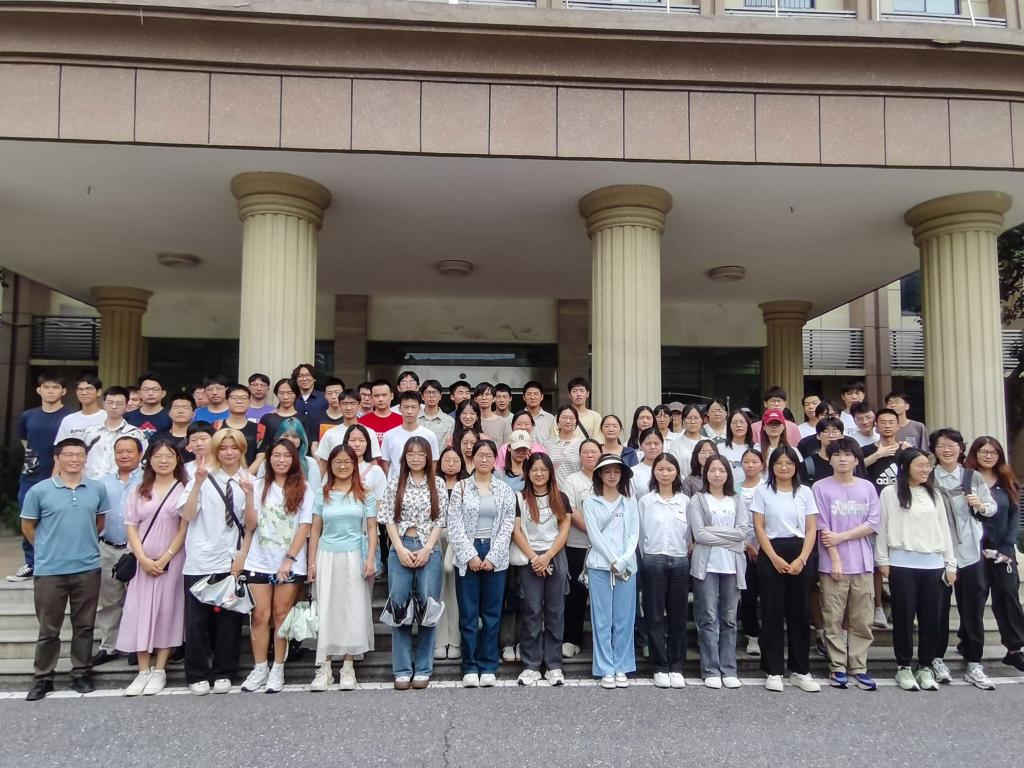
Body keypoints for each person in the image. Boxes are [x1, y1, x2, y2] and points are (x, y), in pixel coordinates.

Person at [21, 438, 109, 701]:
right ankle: (43, 678)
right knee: (49, 628)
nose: (74, 459)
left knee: (84, 626)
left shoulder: (96, 489)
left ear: (85, 458)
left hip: (87, 567)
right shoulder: (39, 490)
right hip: (50, 570)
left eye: (79, 454)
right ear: (57, 458)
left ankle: (81, 673)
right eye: (68, 454)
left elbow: (99, 522)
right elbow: (28, 527)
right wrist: (45, 549)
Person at [178, 428, 254, 696]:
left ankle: (225, 671)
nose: (229, 453)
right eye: (223, 448)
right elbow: (187, 515)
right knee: (197, 621)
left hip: (231, 558)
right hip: (201, 557)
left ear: (242, 450)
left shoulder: (249, 480)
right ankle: (197, 673)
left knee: (229, 621)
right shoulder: (202, 477)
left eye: (234, 447)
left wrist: (242, 556)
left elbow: (251, 525)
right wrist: (198, 484)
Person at [875, 449, 957, 692]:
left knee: (931, 619)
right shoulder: (890, 493)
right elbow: (882, 527)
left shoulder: (935, 495)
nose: (925, 470)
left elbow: (944, 529)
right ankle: (903, 666)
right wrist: (882, 560)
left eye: (927, 466)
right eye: (920, 465)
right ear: (906, 467)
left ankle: (925, 666)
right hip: (901, 563)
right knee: (903, 618)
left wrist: (950, 563)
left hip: (933, 564)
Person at [236, 439, 313, 693]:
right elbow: (251, 524)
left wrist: (289, 559)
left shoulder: (303, 487)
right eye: (276, 455)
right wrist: (249, 495)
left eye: (286, 456)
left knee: (281, 615)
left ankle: (278, 667)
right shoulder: (259, 486)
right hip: (259, 559)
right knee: (259, 615)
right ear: (269, 459)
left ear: (294, 460)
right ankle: (260, 667)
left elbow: (304, 526)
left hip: (289, 563)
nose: (281, 460)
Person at [117, 440, 189, 696]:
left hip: (172, 560)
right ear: (149, 460)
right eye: (158, 456)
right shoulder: (140, 489)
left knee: (167, 610)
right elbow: (131, 526)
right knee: (139, 611)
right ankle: (142, 670)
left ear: (177, 459)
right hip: (143, 562)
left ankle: (160, 669)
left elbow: (184, 527)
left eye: (169, 456)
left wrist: (166, 557)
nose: (163, 460)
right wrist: (143, 559)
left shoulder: (184, 489)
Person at [929, 428, 997, 690]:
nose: (947, 450)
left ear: (960, 448)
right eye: (941, 445)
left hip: (969, 552)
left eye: (952, 445)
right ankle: (936, 659)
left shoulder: (972, 476)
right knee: (937, 610)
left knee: (972, 610)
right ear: (934, 450)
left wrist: (979, 505)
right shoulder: (928, 477)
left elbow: (991, 507)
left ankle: (974, 663)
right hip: (938, 553)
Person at [812, 438, 881, 691]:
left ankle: (859, 666)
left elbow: (873, 523)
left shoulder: (867, 487)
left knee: (862, 618)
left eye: (848, 454)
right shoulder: (820, 487)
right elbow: (821, 526)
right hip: (833, 564)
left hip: (862, 562)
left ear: (856, 459)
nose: (843, 459)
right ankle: (837, 666)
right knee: (833, 618)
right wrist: (836, 558)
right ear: (829, 459)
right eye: (837, 455)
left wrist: (842, 537)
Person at [448, 439, 518, 688]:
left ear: (495, 459)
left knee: (491, 613)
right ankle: (469, 665)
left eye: (489, 455)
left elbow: (508, 525)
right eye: (480, 455)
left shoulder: (504, 490)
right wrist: (470, 555)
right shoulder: (461, 488)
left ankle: (488, 664)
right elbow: (454, 524)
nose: (484, 459)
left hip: (495, 553)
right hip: (468, 552)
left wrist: (492, 556)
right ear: (473, 458)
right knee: (468, 614)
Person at [308, 445, 378, 691]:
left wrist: (370, 558)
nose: (342, 466)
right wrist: (311, 562)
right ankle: (325, 667)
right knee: (327, 607)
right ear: (330, 464)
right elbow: (315, 529)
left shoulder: (365, 493)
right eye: (337, 461)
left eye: (347, 461)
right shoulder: (322, 493)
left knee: (353, 608)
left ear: (355, 464)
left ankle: (348, 666)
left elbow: (372, 528)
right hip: (327, 555)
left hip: (355, 555)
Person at [380, 436, 448, 689]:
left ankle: (423, 668)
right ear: (404, 457)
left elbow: (441, 520)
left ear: (428, 457)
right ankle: (401, 669)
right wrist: (399, 548)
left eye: (421, 454)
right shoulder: (395, 483)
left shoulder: (437, 483)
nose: (416, 458)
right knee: (399, 608)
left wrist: (428, 549)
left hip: (429, 548)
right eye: (411, 454)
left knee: (428, 608)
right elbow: (387, 517)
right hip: (401, 547)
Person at [751, 445, 819, 693]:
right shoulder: (763, 491)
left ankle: (800, 670)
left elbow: (811, 529)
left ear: (795, 466)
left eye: (789, 463)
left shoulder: (805, 492)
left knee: (799, 613)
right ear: (771, 466)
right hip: (771, 552)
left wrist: (802, 559)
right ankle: (773, 670)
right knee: (772, 612)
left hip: (800, 552)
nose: (784, 467)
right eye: (779, 463)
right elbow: (759, 527)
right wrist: (773, 557)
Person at [689, 455, 749, 690]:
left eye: (721, 470)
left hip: (732, 566)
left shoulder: (737, 499)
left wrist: (716, 533)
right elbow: (699, 534)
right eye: (712, 470)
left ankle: (729, 668)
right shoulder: (698, 499)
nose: (717, 474)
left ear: (728, 474)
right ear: (706, 474)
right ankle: (711, 669)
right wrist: (731, 540)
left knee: (729, 619)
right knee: (708, 617)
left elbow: (742, 532)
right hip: (707, 566)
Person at [511, 452, 572, 686]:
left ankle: (554, 665)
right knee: (532, 611)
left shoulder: (561, 497)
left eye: (543, 470)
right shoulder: (520, 498)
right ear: (527, 473)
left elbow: (564, 530)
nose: (539, 474)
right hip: (530, 558)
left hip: (554, 556)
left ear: (550, 473)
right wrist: (535, 558)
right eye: (534, 469)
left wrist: (547, 556)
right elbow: (516, 531)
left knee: (555, 612)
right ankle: (531, 665)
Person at [965, 436, 1024, 672]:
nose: (989, 456)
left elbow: (1013, 518)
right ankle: (968, 644)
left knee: (1008, 595)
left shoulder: (1007, 482)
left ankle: (1015, 649)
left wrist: (1007, 548)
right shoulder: (966, 480)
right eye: (984, 451)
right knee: (975, 598)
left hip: (1003, 551)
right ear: (975, 454)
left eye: (993, 452)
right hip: (973, 550)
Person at [8, 371, 71, 583]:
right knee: (29, 517)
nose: (50, 391)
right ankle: (32, 562)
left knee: (60, 519)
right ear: (39, 390)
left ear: (63, 391)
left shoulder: (70, 417)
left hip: (61, 473)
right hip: (31, 473)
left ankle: (58, 562)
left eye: (55, 387)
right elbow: (25, 441)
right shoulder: (28, 416)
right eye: (46, 387)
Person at [583, 453, 639, 689]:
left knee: (624, 618)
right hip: (599, 566)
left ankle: (622, 666)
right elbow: (594, 536)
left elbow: (634, 533)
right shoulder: (590, 502)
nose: (612, 476)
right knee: (602, 619)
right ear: (599, 475)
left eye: (616, 472)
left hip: (626, 568)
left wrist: (623, 559)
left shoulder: (629, 501)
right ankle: (606, 667)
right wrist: (612, 559)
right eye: (607, 472)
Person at [638, 453, 690, 689]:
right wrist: (647, 556)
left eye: (670, 469)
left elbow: (689, 535)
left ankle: (677, 666)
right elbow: (640, 535)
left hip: (679, 561)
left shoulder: (685, 501)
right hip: (653, 560)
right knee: (655, 615)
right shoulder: (646, 502)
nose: (665, 473)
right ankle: (659, 666)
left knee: (678, 616)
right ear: (654, 472)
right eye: (660, 469)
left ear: (677, 472)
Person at [91, 435, 143, 667]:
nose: (124, 455)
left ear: (140, 454)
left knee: (138, 601)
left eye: (129, 451)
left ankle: (136, 645)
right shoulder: (101, 483)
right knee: (108, 601)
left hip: (137, 551)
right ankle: (109, 645)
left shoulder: (148, 480)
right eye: (120, 451)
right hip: (108, 547)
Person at [561, 439, 602, 658]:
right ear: (580, 456)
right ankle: (572, 639)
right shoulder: (572, 480)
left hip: (604, 549)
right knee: (576, 595)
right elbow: (571, 509)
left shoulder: (606, 478)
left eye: (594, 451)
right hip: (577, 545)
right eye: (585, 452)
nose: (589, 455)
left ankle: (601, 642)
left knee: (601, 597)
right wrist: (595, 532)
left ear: (600, 454)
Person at [434, 447, 468, 662]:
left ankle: (455, 642)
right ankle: (439, 642)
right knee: (437, 592)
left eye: (455, 460)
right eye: (447, 459)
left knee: (456, 594)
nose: (451, 464)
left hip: (460, 541)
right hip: (435, 539)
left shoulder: (467, 485)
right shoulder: (433, 485)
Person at [83, 386, 147, 479]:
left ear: (126, 405)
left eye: (119, 403)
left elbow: (142, 463)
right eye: (110, 402)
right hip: (91, 484)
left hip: (121, 484)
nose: (114, 407)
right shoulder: (90, 432)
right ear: (103, 404)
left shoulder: (135, 434)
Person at [736, 448, 764, 658]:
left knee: (770, 595)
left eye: (755, 461)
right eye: (746, 461)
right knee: (747, 594)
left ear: (762, 465)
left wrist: (762, 545)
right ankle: (751, 635)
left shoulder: (768, 487)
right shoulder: (735, 489)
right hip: (743, 548)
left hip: (768, 548)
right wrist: (748, 545)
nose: (750, 465)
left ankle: (769, 636)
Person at [315, 388, 381, 475]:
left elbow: (373, 462)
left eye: (353, 403)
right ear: (339, 406)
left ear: (359, 406)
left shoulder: (369, 432)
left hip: (363, 480)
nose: (349, 408)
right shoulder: (330, 434)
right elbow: (323, 464)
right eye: (345, 404)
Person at [380, 391, 440, 480]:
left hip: (421, 485)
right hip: (395, 484)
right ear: (399, 409)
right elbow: (386, 463)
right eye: (406, 407)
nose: (409, 411)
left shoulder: (429, 435)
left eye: (413, 407)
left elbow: (433, 462)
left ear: (420, 409)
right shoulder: (389, 435)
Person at [255, 378, 315, 459]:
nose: (285, 397)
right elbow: (260, 446)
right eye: (281, 393)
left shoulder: (304, 419)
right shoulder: (266, 418)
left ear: (296, 394)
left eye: (290, 393)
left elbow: (307, 446)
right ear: (276, 394)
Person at [54, 373, 104, 443]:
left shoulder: (108, 418)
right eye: (80, 389)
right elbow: (60, 446)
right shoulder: (68, 420)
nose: (84, 392)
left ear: (98, 392)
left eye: (88, 388)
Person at [215, 385, 259, 465]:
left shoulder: (259, 428)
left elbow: (261, 456)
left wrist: (247, 472)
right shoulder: (216, 426)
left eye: (244, 398)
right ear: (227, 402)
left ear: (249, 402)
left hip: (251, 472)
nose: (239, 401)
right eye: (234, 398)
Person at [544, 405, 585, 487]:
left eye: (571, 418)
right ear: (558, 420)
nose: (568, 421)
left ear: (576, 421)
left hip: (575, 489)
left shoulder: (582, 444)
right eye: (564, 417)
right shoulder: (547, 444)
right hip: (554, 490)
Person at [358, 379, 403, 447]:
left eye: (384, 395)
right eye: (376, 396)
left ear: (392, 396)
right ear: (372, 397)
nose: (380, 399)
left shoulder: (402, 421)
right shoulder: (362, 422)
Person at [125, 372, 170, 439]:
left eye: (155, 389)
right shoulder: (127, 418)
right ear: (139, 393)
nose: (150, 393)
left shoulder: (171, 417)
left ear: (163, 393)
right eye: (146, 389)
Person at [418, 379, 455, 448]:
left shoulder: (449, 421)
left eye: (435, 392)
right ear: (422, 396)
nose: (431, 396)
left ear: (440, 396)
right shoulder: (414, 419)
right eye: (428, 392)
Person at [474, 382, 511, 446]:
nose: (484, 398)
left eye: (487, 394)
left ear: (494, 398)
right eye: (480, 395)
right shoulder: (471, 420)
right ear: (475, 399)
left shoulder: (503, 422)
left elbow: (506, 447)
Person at [631, 427, 664, 498]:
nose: (653, 447)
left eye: (656, 443)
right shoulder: (633, 472)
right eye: (648, 444)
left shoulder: (670, 470)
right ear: (640, 445)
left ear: (662, 444)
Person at [668, 404, 704, 470]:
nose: (693, 422)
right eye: (689, 418)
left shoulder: (709, 442)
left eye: (696, 418)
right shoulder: (675, 444)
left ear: (701, 420)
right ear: (683, 421)